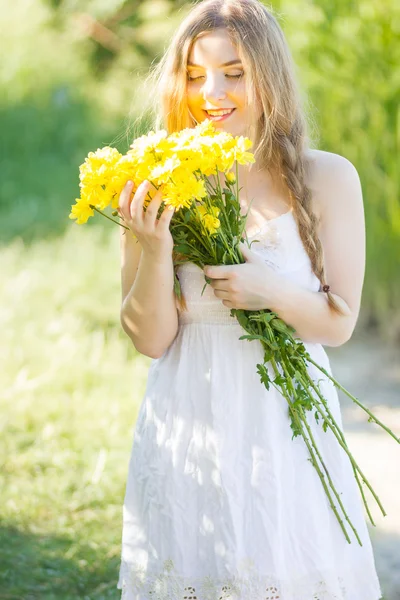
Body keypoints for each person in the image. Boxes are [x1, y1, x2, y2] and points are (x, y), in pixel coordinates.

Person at [116, 0, 382, 598]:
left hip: (283, 427)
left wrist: (269, 289)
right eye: (193, 73)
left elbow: (337, 324)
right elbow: (149, 338)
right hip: (190, 418)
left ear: (269, 76)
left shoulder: (327, 178)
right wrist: (155, 247)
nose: (211, 92)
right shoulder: (158, 179)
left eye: (233, 73)